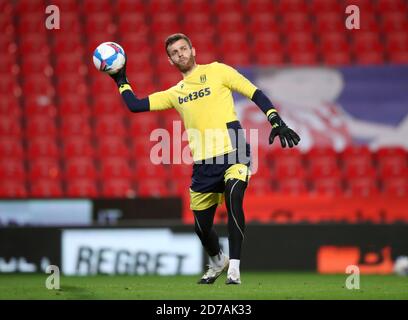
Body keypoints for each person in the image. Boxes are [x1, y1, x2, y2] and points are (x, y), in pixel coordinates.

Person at [107, 33, 300, 284]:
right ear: (170, 61)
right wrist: (121, 80)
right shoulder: (176, 92)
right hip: (204, 164)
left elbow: (255, 93)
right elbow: (135, 105)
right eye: (175, 53)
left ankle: (235, 268)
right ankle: (218, 260)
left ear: (193, 50)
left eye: (183, 49)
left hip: (235, 150)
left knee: (234, 197)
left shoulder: (218, 71)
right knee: (201, 227)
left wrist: (276, 120)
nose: (181, 54)